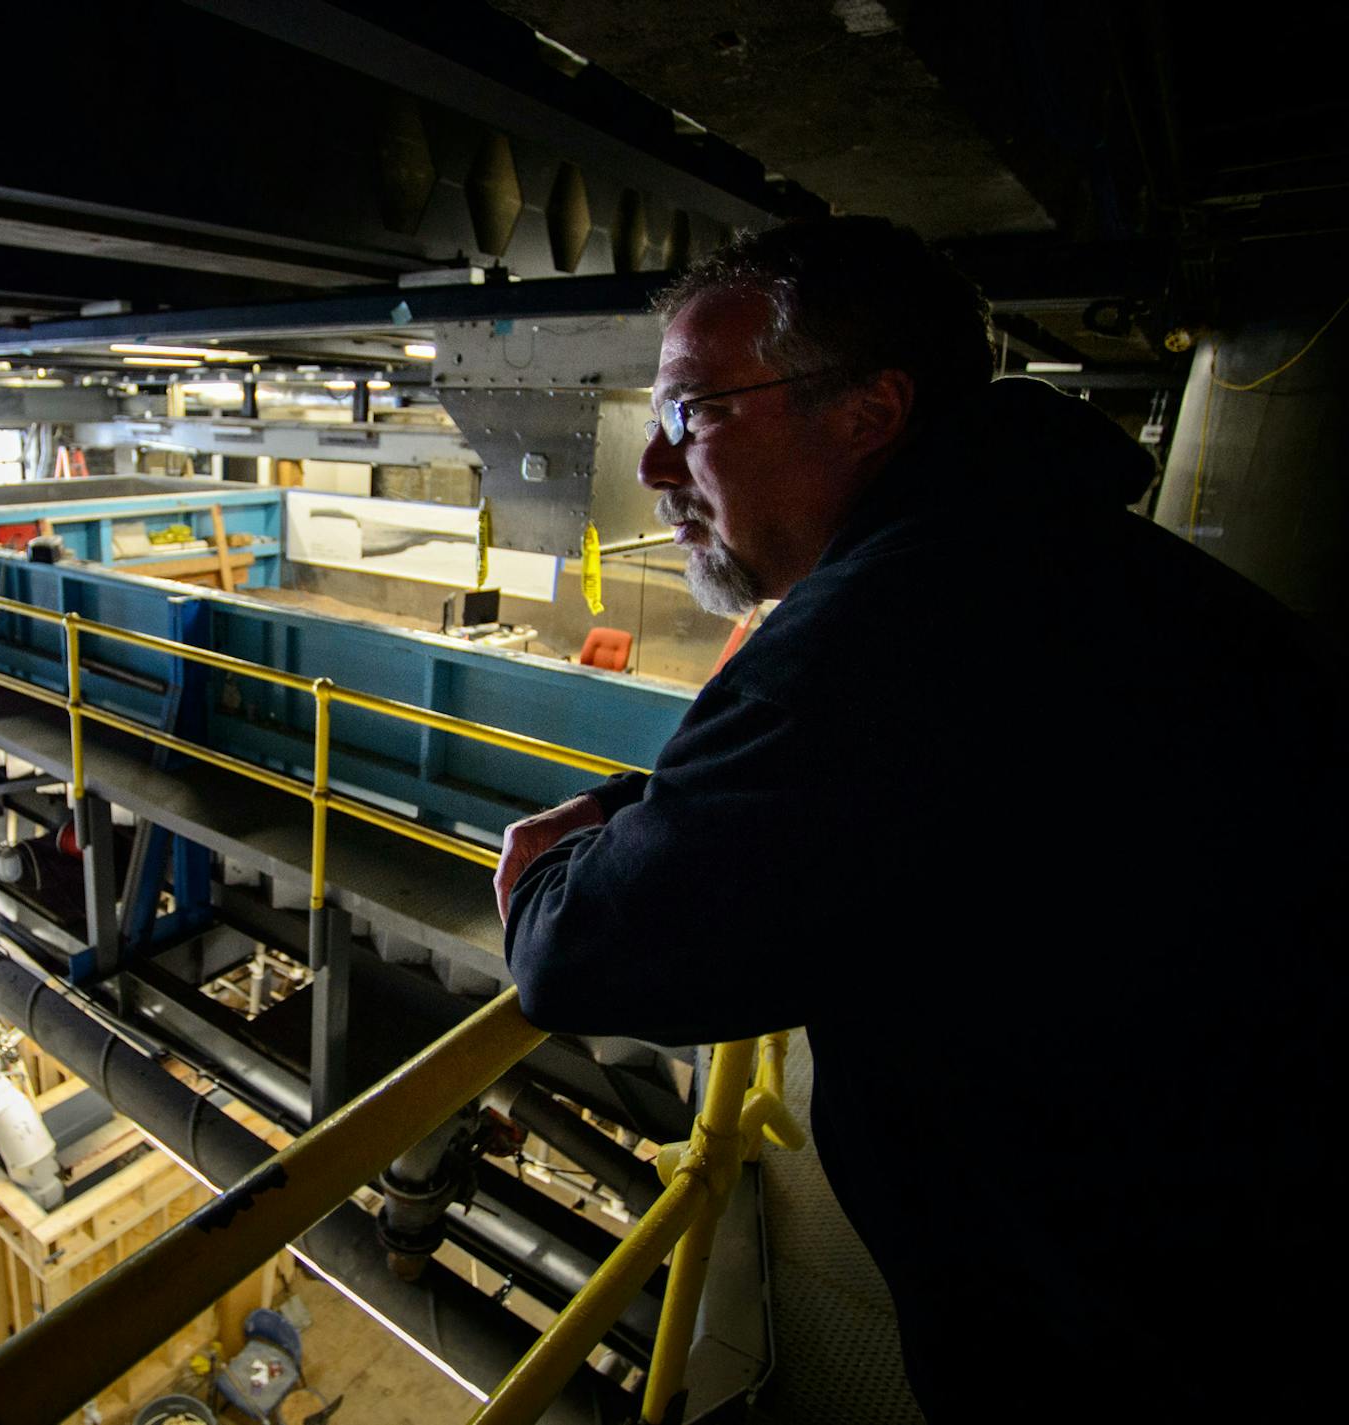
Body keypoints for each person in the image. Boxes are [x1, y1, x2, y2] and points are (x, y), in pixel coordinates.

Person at [495, 217, 1345, 1418]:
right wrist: (644, 806)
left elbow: (583, 953)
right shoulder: (1052, 559)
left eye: (695, 414)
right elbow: (840, 794)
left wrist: (547, 867)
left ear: (869, 414)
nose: (653, 467)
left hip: (1130, 1329)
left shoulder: (892, 630)